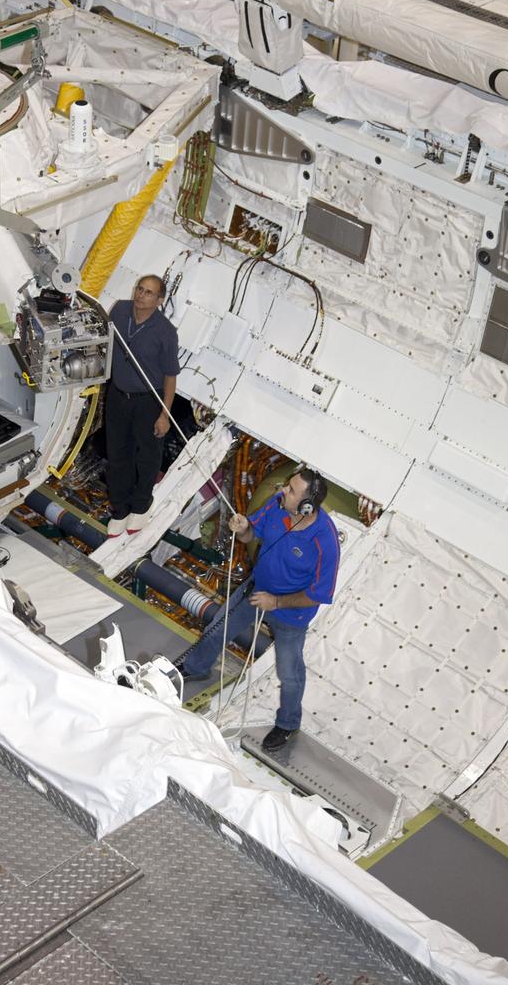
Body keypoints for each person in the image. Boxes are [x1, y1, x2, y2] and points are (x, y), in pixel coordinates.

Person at [178, 465, 340, 753]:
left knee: (289, 670)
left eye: (290, 490)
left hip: (292, 613)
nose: (282, 491)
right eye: (286, 485)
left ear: (306, 505)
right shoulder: (277, 506)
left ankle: (288, 724)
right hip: (257, 590)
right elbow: (251, 535)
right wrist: (243, 529)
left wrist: (276, 603)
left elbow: (319, 595)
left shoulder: (324, 541)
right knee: (219, 627)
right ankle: (195, 668)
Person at [105, 275, 179, 537]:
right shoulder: (119, 310)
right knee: (116, 454)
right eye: (140, 289)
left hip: (148, 400)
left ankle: (140, 506)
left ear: (159, 301)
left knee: (146, 457)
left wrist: (164, 415)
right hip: (117, 395)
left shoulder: (166, 332)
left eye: (149, 293)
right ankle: (120, 508)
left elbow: (171, 376)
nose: (141, 295)